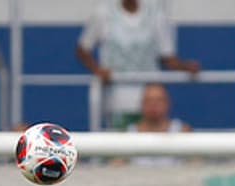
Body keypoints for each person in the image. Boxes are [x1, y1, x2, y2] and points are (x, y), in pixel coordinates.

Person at [76, 0, 200, 129]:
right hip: (118, 97)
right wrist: (98, 70)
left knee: (154, 142)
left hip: (151, 97)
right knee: (121, 144)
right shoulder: (103, 13)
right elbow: (82, 49)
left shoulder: (156, 14)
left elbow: (167, 56)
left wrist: (186, 67)